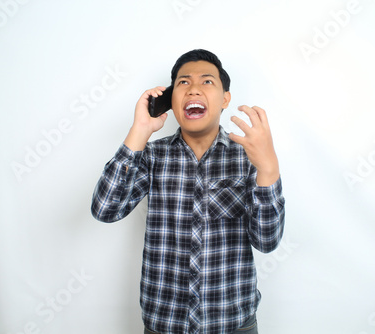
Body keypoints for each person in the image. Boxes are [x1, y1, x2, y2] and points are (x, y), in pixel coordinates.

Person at [91, 49, 285, 334]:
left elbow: (267, 241)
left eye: (207, 82)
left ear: (225, 99)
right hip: (165, 323)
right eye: (183, 83)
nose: (193, 88)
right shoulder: (153, 156)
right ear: (171, 100)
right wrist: (140, 131)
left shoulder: (248, 158)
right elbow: (105, 209)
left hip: (232, 323)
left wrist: (268, 170)